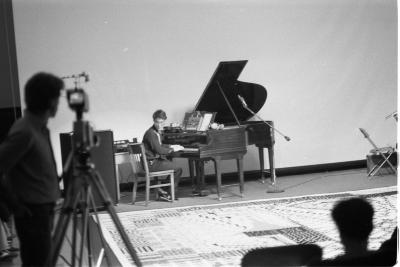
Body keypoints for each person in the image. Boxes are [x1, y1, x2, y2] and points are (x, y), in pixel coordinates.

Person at [0, 72, 64, 266]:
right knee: (39, 263)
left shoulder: (38, 127)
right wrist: (15, 205)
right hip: (33, 213)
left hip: (42, 210)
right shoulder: (25, 130)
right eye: (57, 98)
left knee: (44, 260)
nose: (58, 104)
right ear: (49, 101)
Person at [142, 109, 183, 201]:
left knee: (173, 166)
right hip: (151, 163)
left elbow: (159, 145)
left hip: (153, 161)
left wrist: (170, 145)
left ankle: (163, 190)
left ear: (164, 121)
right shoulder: (151, 134)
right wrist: (173, 149)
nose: (159, 125)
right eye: (157, 122)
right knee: (178, 169)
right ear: (154, 121)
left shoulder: (155, 132)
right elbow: (159, 150)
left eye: (161, 122)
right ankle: (168, 193)